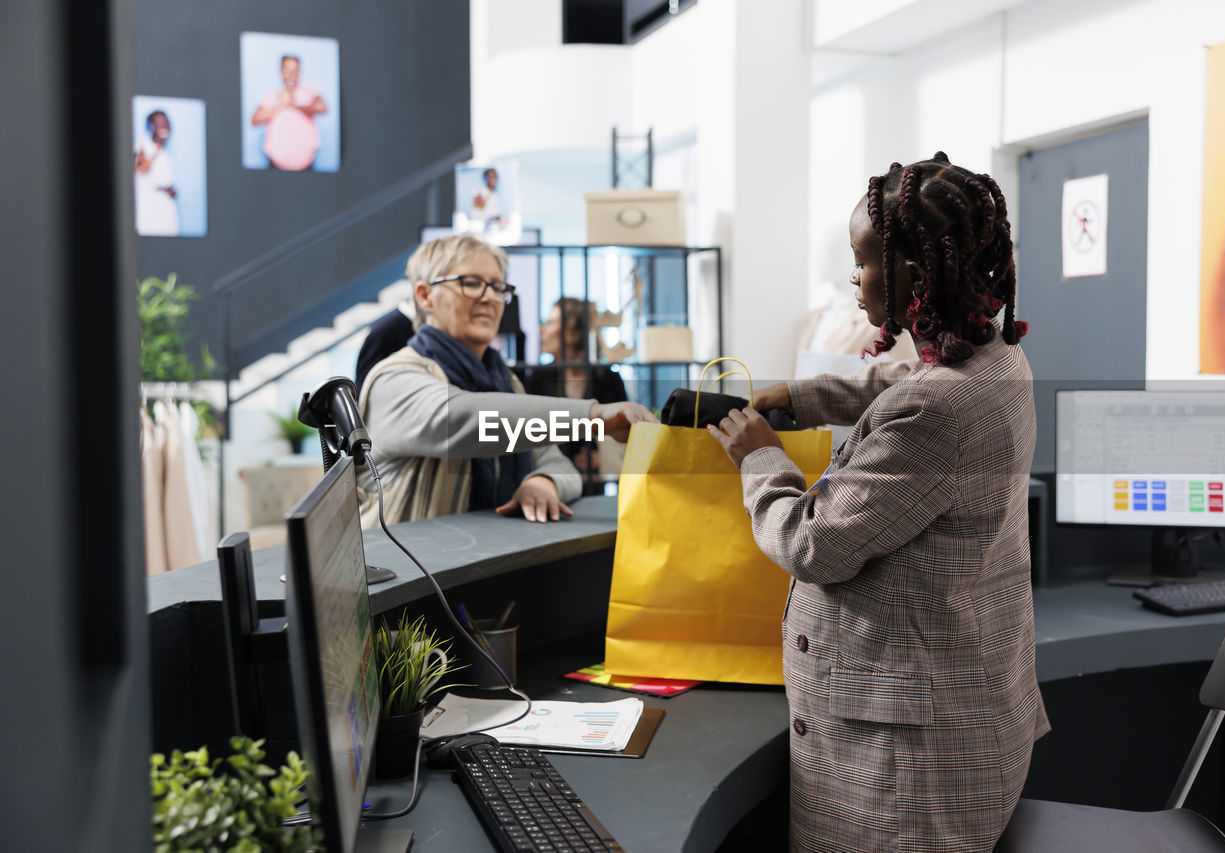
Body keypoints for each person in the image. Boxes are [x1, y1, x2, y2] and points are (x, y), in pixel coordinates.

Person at [709, 153, 1048, 852]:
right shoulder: (997, 361)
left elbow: (813, 543)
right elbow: (903, 381)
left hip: (906, 782)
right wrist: (800, 397)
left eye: (862, 263)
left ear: (913, 280)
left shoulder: (939, 410)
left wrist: (759, 454)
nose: (855, 281)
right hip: (969, 720)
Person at [357, 235, 653, 526]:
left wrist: (544, 482)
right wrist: (594, 415)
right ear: (425, 296)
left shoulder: (505, 382)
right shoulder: (393, 379)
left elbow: (557, 463)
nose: (489, 297)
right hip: (415, 571)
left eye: (498, 287)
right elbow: (466, 419)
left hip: (487, 564)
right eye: (470, 283)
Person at [523, 297, 630, 492]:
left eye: (550, 323)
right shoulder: (539, 377)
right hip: (548, 483)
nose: (542, 330)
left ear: (572, 333)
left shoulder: (607, 378)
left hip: (595, 485)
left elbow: (624, 431)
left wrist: (600, 456)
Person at [250, 54, 326, 171]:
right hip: (275, 167)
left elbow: (321, 107)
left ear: (299, 73)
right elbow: (255, 119)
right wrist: (281, 104)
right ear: (281, 72)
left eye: (294, 69)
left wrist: (293, 104)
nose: (291, 73)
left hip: (307, 168)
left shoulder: (309, 91)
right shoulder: (271, 95)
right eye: (287, 69)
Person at [133, 110, 179, 236]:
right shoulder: (142, 147)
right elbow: (140, 167)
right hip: (149, 211)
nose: (164, 127)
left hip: (165, 212)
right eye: (159, 123)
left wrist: (170, 190)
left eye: (166, 123)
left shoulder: (165, 153)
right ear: (150, 126)